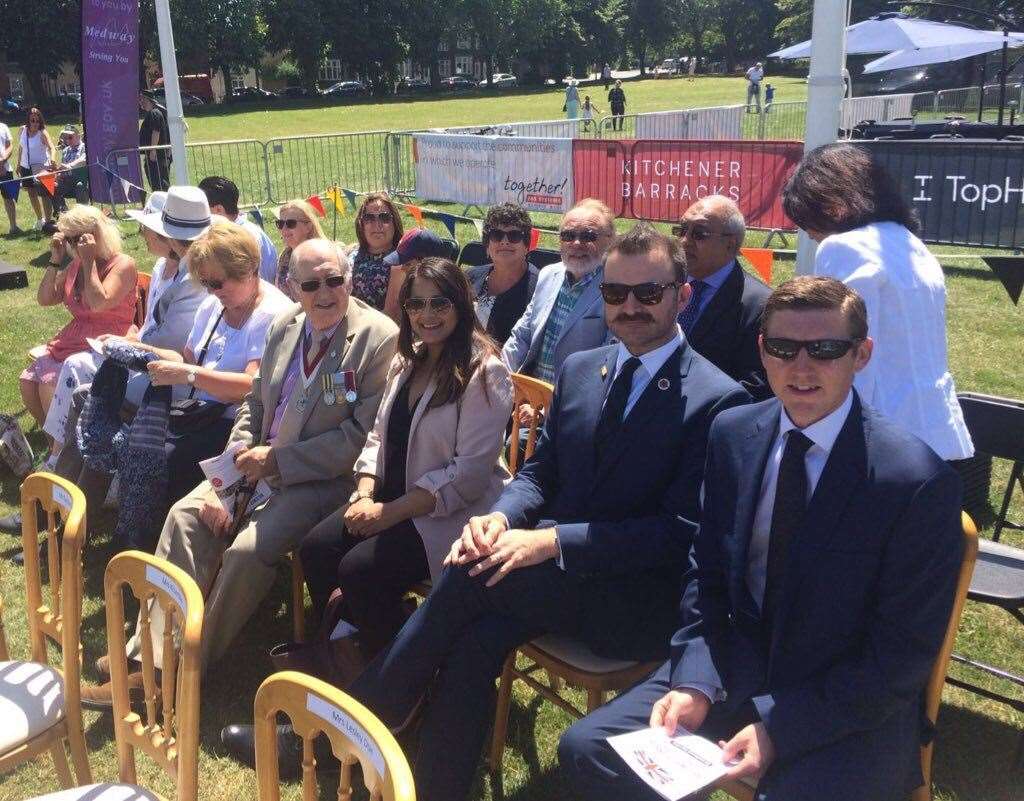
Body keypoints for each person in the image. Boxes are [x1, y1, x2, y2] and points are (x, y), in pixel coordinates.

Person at [219, 223, 750, 795]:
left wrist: (549, 543)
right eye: (615, 293)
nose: (629, 307)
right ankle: (436, 785)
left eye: (649, 293)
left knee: (468, 576)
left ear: (683, 294)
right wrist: (501, 516)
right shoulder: (582, 369)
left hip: (632, 598)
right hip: (546, 571)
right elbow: (541, 473)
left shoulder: (717, 400)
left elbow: (680, 535)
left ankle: (335, 738)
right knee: (474, 640)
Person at [558, 276, 964, 801]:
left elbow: (899, 658)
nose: (801, 367)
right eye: (783, 348)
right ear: (761, 349)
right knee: (588, 749)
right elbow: (705, 574)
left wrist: (781, 727)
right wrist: (695, 681)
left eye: (825, 349)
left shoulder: (914, 481)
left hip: (846, 704)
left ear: (861, 354)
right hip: (734, 666)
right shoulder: (734, 434)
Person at [82, 238, 394, 707]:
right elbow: (254, 402)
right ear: (293, 285)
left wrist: (277, 462)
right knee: (187, 516)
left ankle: (184, 669)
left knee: (247, 551)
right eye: (311, 284)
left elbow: (358, 439)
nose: (325, 292)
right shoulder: (288, 323)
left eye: (335, 280)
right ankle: (147, 653)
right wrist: (232, 471)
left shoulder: (377, 337)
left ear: (349, 278)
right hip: (257, 463)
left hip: (322, 481)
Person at [292, 256, 513, 676]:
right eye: (416, 305)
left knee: (359, 570)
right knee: (315, 550)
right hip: (392, 495)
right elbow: (377, 435)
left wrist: (387, 514)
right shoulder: (408, 359)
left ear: (461, 305)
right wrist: (363, 493)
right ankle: (349, 651)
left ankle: (401, 677)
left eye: (439, 304)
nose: (427, 315)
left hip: (450, 513)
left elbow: (467, 476)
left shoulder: (485, 374)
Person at [782, 142, 973, 462]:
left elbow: (838, 352)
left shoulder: (842, 247)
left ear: (831, 205)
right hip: (940, 432)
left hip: (882, 441)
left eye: (807, 224)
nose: (811, 236)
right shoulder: (912, 244)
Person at [40, 190, 208, 462]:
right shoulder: (162, 267)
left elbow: (170, 343)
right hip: (146, 353)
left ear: (163, 234)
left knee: (84, 381)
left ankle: (72, 460)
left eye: (145, 227)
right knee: (73, 373)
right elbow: (154, 326)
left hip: (167, 368)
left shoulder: (192, 278)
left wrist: (128, 343)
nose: (141, 233)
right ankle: (63, 456)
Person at [19, 205, 138, 430]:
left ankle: (60, 450)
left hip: (106, 339)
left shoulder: (122, 264)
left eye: (76, 238)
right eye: (68, 239)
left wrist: (89, 261)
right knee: (27, 381)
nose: (72, 245)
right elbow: (45, 299)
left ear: (96, 235)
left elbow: (98, 304)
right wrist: (55, 260)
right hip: (75, 338)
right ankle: (55, 440)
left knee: (49, 383)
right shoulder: (75, 265)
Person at [503, 198, 615, 383]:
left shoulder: (618, 288)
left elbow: (609, 358)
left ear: (611, 241)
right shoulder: (548, 274)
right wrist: (500, 375)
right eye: (568, 235)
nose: (577, 243)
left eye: (588, 236)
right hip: (529, 393)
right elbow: (522, 335)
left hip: (577, 399)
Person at [672, 196, 771, 399]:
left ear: (730, 244)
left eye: (699, 233)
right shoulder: (661, 284)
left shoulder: (759, 306)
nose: (685, 241)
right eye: (682, 230)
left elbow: (755, 384)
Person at [465, 203, 539, 345]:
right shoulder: (469, 278)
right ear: (487, 245)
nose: (505, 242)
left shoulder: (539, 288)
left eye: (514, 236)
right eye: (496, 235)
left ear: (526, 245)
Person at [199, 175, 278, 283]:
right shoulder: (237, 229)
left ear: (219, 209)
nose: (200, 215)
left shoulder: (244, 237)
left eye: (202, 209)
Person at [346, 193, 405, 317]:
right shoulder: (351, 255)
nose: (377, 225)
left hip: (381, 329)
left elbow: (392, 312)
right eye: (369, 218)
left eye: (384, 218)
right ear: (361, 225)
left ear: (395, 223)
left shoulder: (402, 260)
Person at [274, 198, 326, 298]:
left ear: (308, 227)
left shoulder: (320, 256)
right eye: (280, 224)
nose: (284, 229)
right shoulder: (285, 256)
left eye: (290, 223)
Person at [17, 107, 57, 230]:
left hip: (41, 167)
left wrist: (53, 158)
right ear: (28, 118)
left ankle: (48, 221)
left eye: (37, 118)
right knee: (32, 194)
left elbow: (52, 147)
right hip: (25, 166)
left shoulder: (42, 132)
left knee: (45, 194)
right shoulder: (22, 130)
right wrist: (18, 163)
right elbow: (21, 148)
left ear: (40, 119)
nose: (34, 120)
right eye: (32, 117)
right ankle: (40, 219)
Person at [139, 91, 171, 192]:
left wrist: (152, 150)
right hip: (155, 155)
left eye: (142, 99)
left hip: (156, 156)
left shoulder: (154, 113)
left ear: (149, 100)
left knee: (159, 183)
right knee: (157, 183)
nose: (141, 102)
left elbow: (156, 132)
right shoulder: (153, 113)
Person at [51, 125, 88, 216]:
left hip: (82, 180)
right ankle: (62, 213)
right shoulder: (65, 151)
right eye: (66, 138)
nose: (68, 140)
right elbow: (63, 168)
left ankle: (82, 215)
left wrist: (70, 166)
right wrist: (58, 173)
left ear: (78, 136)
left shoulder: (85, 147)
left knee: (80, 186)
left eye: (70, 137)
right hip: (67, 181)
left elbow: (84, 160)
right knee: (52, 186)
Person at [0, 119, 18, 233]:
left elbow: (10, 146)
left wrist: (2, 160)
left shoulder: (3, 127)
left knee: (8, 198)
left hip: (5, 169)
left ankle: (13, 227)